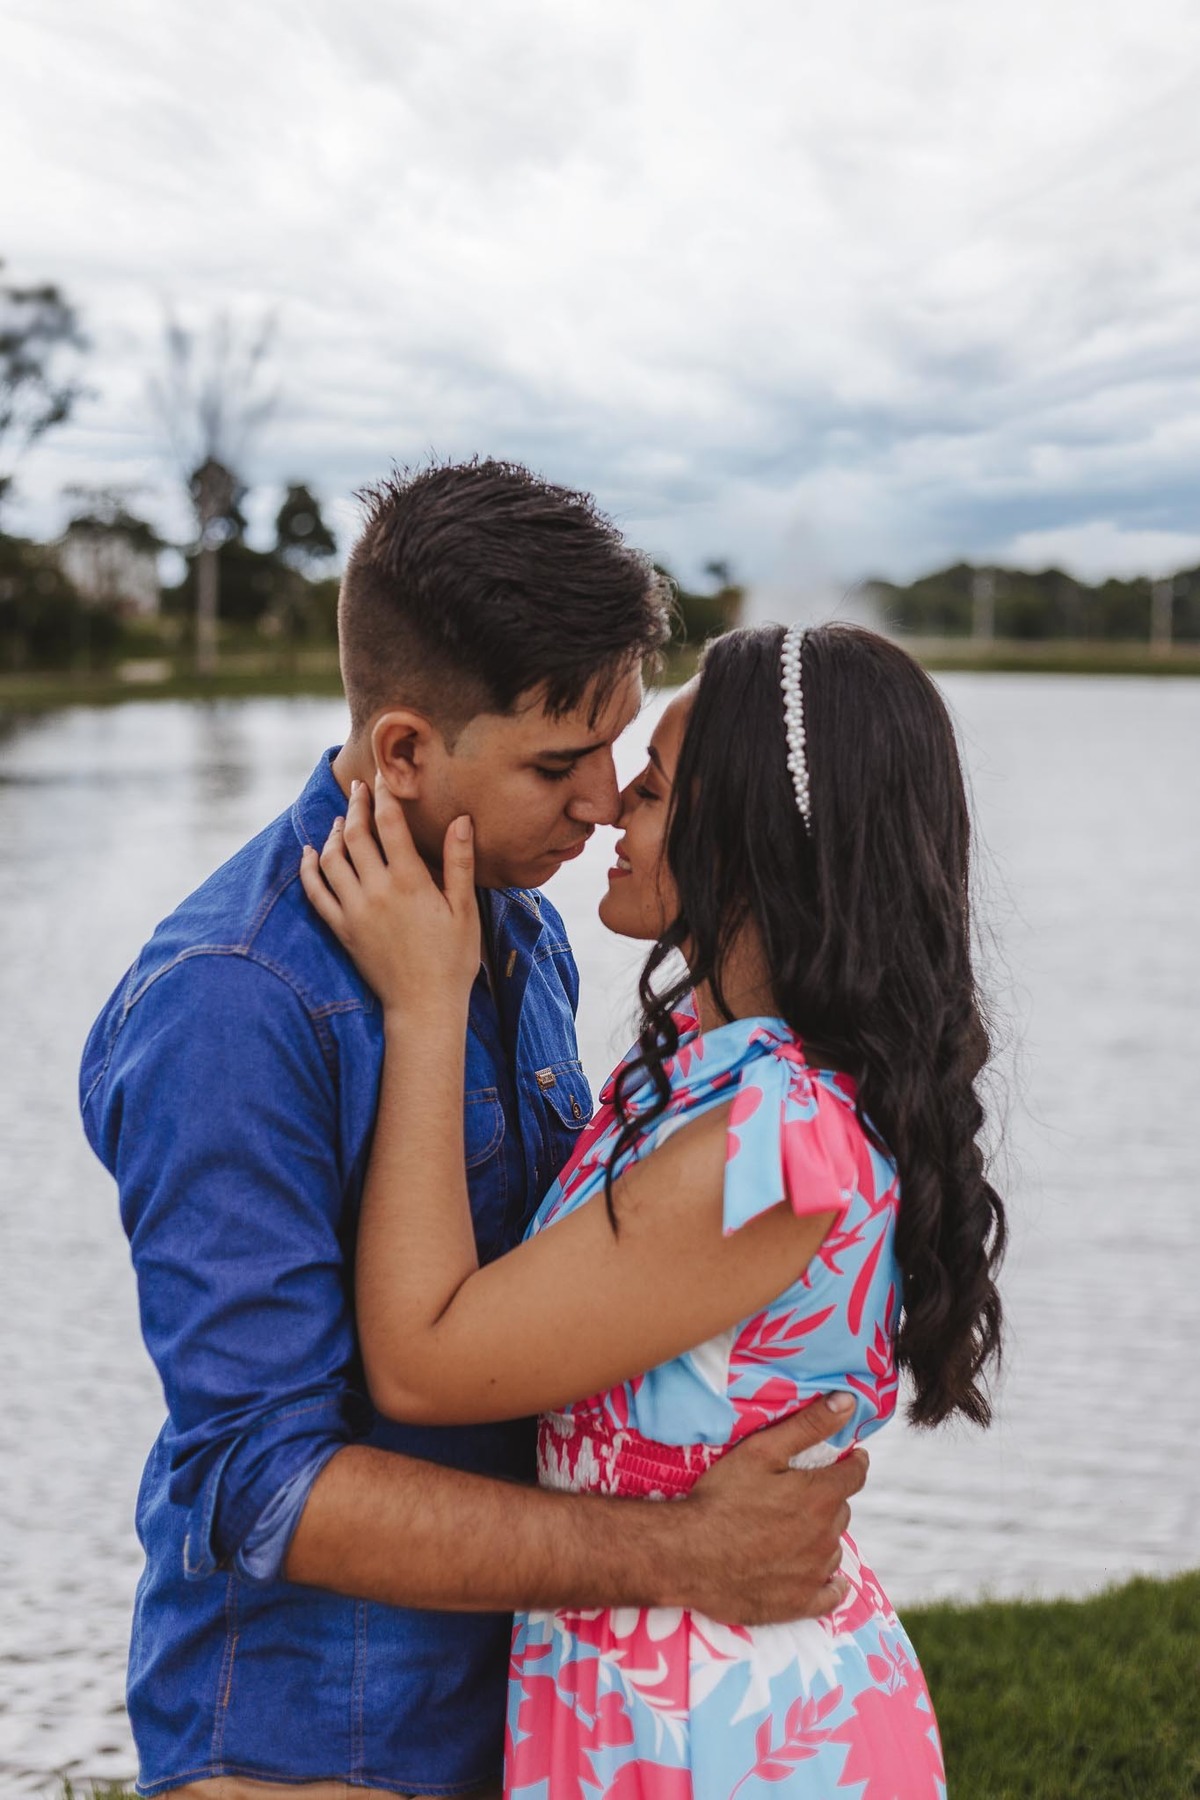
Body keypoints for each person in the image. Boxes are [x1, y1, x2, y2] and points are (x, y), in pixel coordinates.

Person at [80, 462, 868, 1800]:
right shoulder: (229, 1003)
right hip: (319, 1751)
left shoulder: (516, 923)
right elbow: (264, 1487)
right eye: (559, 763)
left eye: (617, 749)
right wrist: (686, 1552)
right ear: (404, 752)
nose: (604, 800)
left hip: (528, 1723)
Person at [300, 619, 1007, 1798]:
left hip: (716, 1722)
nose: (607, 809)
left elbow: (423, 1363)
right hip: (654, 1677)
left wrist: (427, 1005)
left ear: (749, 840)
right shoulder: (716, 1072)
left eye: (654, 787)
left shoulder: (766, 1149)